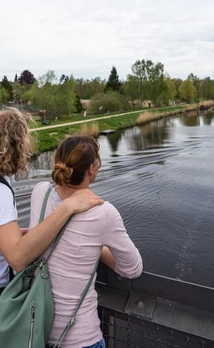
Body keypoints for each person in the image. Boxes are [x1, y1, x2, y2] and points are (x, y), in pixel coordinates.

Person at [29, 134, 143, 348]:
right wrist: (97, 247)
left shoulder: (40, 193)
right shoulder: (103, 213)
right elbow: (133, 269)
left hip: (35, 331)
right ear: (92, 169)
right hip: (80, 338)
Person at [0, 108, 104, 295]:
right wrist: (68, 207)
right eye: (25, 141)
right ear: (15, 145)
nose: (28, 147)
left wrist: (11, 236)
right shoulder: (1, 191)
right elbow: (16, 258)